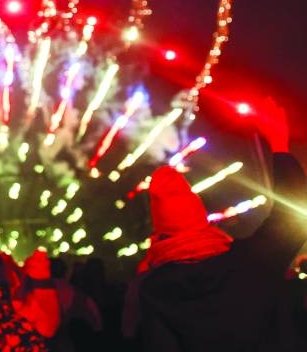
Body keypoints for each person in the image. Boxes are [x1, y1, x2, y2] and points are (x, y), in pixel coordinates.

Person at [128, 97, 307, 351]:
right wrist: (279, 146)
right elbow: (290, 217)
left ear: (162, 233)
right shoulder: (250, 260)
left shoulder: (155, 290)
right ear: (200, 217)